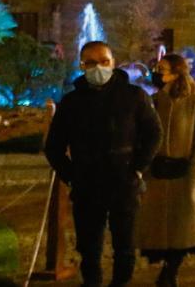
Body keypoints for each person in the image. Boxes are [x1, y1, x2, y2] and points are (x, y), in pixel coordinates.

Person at [44, 41, 161, 287]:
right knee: (89, 247)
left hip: (124, 182)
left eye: (104, 61)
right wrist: (72, 175)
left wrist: (138, 168)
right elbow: (53, 146)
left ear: (113, 62)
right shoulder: (72, 102)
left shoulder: (134, 96)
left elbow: (153, 133)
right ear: (82, 65)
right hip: (87, 184)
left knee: (125, 245)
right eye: (92, 63)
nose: (99, 67)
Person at [137, 54, 195, 287]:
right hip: (157, 174)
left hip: (184, 172)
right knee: (159, 227)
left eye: (163, 69)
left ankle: (172, 270)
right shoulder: (154, 100)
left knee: (182, 227)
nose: (158, 73)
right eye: (158, 69)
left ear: (177, 73)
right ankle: (165, 265)